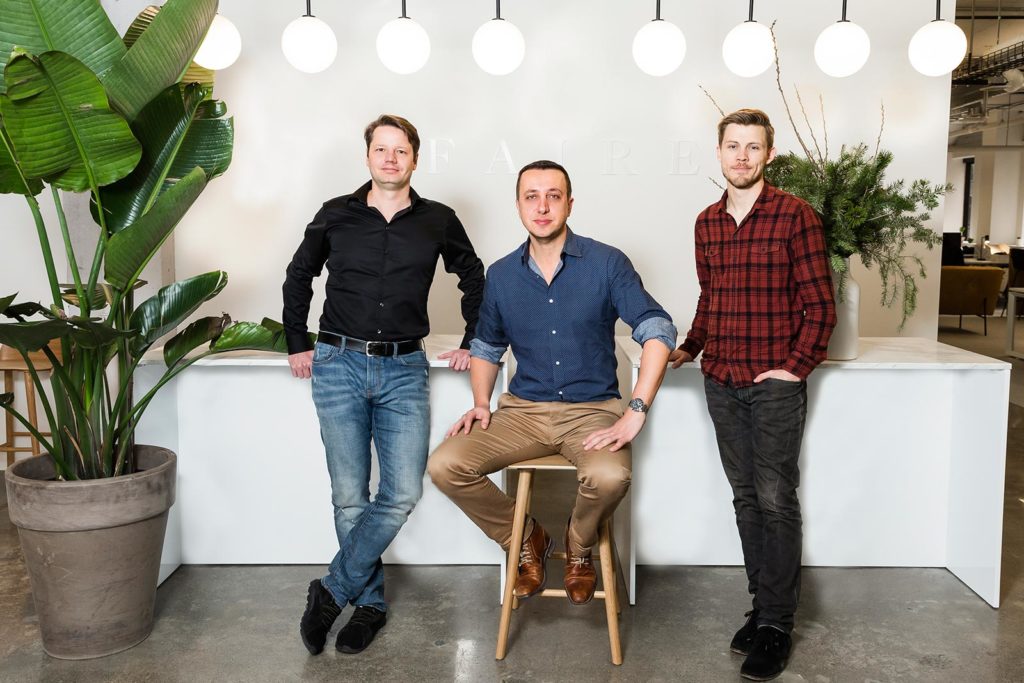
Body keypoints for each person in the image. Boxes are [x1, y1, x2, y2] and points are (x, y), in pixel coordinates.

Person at [428, 160, 675, 605]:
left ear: (569, 203)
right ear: (519, 205)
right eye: (531, 197)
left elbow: (657, 329)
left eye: (553, 196)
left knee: (609, 478)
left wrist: (636, 409)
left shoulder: (606, 263)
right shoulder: (502, 275)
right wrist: (482, 402)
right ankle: (526, 536)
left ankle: (579, 546)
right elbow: (486, 347)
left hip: (591, 411)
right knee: (445, 465)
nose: (542, 207)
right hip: (523, 411)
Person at [282, 114, 485, 656]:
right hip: (338, 364)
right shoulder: (336, 215)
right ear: (367, 156)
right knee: (350, 497)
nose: (391, 159)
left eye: (401, 151)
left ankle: (331, 590)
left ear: (415, 159)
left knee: (402, 493)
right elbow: (298, 274)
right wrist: (296, 342)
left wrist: (474, 339)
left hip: (402, 369)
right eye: (381, 149)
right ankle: (368, 605)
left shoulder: (438, 219)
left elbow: (474, 275)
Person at [670, 109, 836, 681]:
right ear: (719, 152)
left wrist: (795, 368)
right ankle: (760, 608)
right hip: (721, 378)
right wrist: (690, 348)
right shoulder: (706, 223)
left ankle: (777, 625)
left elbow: (821, 306)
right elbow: (709, 300)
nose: (742, 156)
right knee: (745, 499)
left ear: (768, 154)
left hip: (772, 386)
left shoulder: (796, 216)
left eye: (753, 147)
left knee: (775, 498)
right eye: (733, 146)